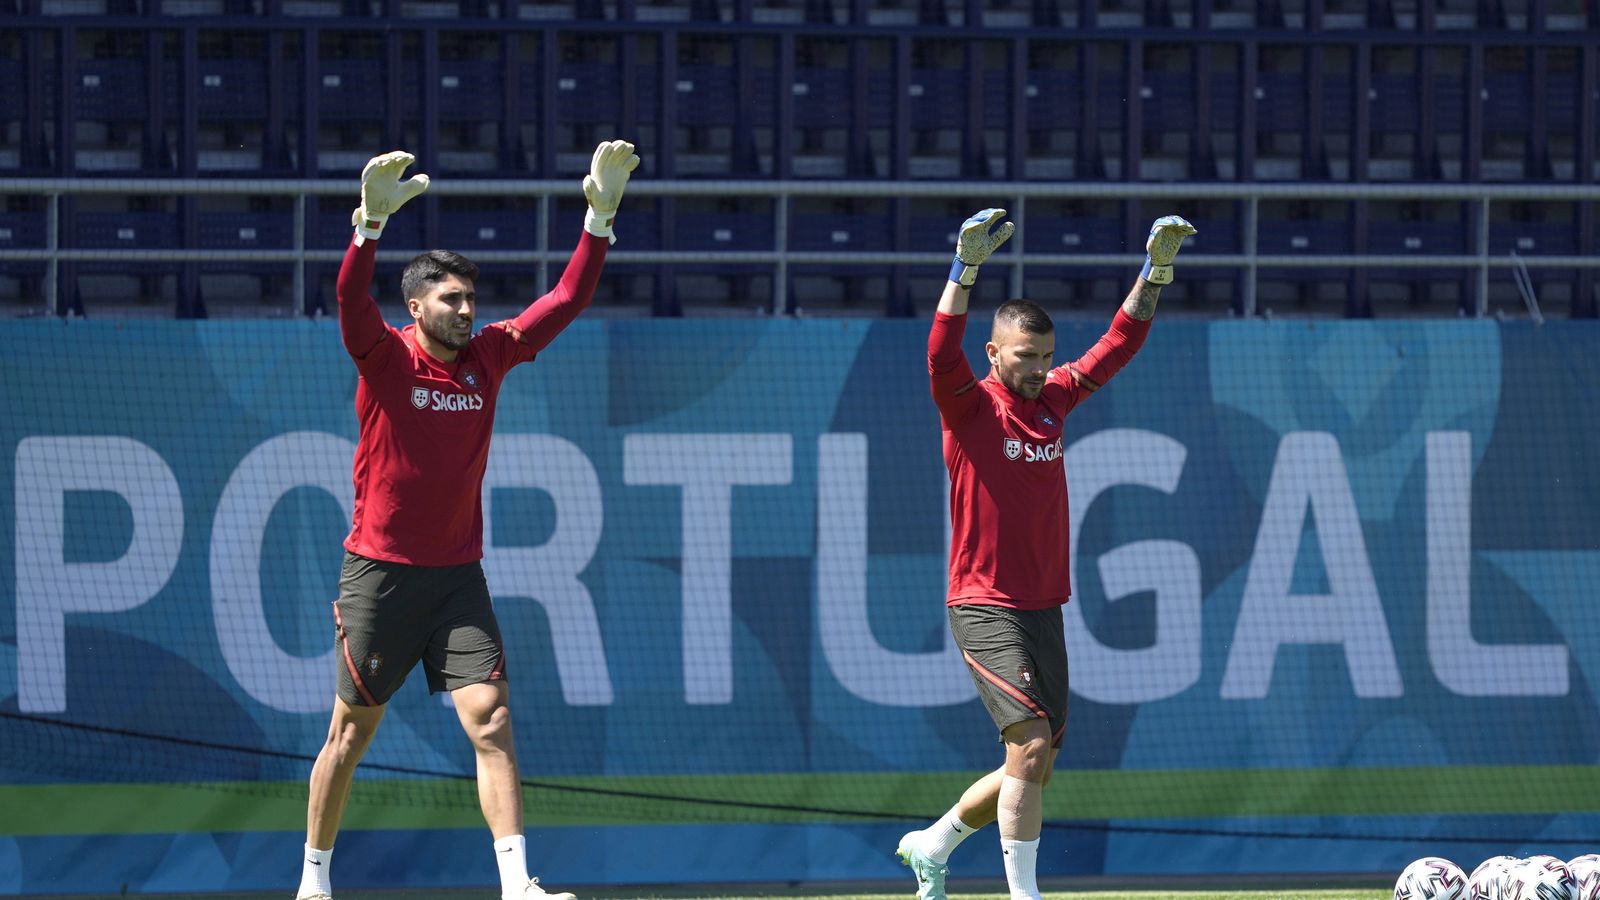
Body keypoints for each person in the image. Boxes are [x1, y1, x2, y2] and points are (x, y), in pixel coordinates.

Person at [295, 140, 640, 900]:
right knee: (348, 737)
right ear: (416, 308)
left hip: (457, 579)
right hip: (380, 576)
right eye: (450, 299)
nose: (466, 309)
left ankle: (517, 886)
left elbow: (565, 301)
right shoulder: (385, 358)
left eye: (470, 299)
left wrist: (599, 220)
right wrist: (367, 228)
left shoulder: (490, 356)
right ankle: (313, 883)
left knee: (492, 720)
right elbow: (350, 302)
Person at [897, 209, 1197, 900]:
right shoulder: (969, 407)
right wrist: (964, 270)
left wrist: (1154, 272)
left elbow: (1117, 343)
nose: (1038, 368)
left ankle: (934, 844)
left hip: (1044, 606)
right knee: (1030, 748)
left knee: (1031, 766)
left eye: (1044, 356)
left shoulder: (1054, 399)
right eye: (1024, 356)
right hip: (984, 603)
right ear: (994, 353)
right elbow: (940, 352)